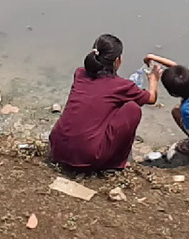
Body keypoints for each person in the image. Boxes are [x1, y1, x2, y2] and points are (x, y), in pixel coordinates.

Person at [50, 34, 159, 171]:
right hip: (87, 158)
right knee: (132, 108)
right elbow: (151, 98)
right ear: (117, 60)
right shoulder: (122, 86)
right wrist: (153, 80)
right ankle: (116, 163)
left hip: (58, 148)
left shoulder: (80, 74)